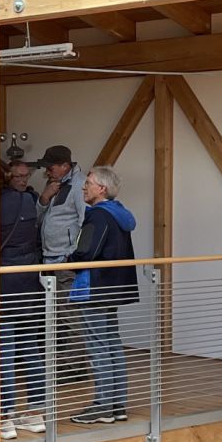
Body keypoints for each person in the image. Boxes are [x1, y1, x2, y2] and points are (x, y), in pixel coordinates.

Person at [68, 164, 139, 424]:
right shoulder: (120, 215)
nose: (83, 188)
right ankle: (117, 404)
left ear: (101, 188)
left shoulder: (98, 216)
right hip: (112, 289)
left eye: (88, 183)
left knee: (97, 346)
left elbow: (86, 252)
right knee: (111, 344)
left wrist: (68, 260)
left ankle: (102, 406)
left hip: (94, 288)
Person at [0, 158, 46, 440]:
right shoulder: (30, 201)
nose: (23, 179)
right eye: (20, 175)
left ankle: (5, 416)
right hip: (29, 283)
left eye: (25, 175)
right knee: (30, 348)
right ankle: (36, 412)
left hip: (6, 282)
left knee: (4, 351)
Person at [37, 144, 85, 263]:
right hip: (47, 254)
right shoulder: (51, 182)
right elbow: (37, 218)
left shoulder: (80, 184)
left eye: (50, 168)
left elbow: (84, 220)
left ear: (64, 166)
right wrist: (44, 198)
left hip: (65, 257)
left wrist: (71, 254)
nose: (47, 172)